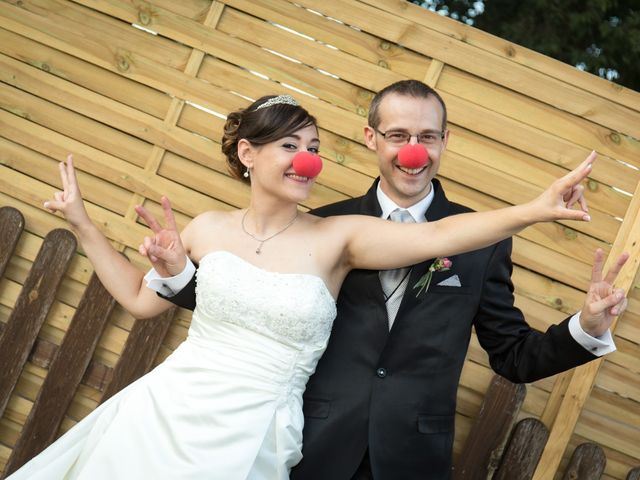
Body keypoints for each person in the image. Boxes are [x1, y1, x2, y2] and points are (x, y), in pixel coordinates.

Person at [7, 93, 606, 480]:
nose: (306, 161)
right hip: (175, 413)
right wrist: (92, 229)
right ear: (247, 154)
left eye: (314, 149)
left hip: (298, 439)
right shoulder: (209, 227)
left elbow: (441, 239)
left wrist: (533, 209)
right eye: (290, 147)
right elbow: (154, 301)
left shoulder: (339, 235)